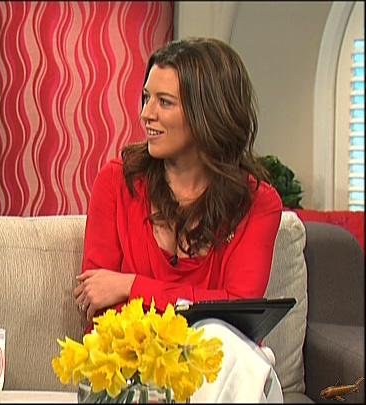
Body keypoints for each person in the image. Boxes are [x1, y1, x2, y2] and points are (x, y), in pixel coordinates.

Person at [73, 37, 284, 402]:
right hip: (136, 367)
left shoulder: (258, 203)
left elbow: (238, 310)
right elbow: (100, 307)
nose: (146, 114)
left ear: (208, 113)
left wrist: (131, 286)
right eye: (146, 98)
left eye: (164, 102)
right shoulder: (117, 182)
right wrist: (187, 310)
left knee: (219, 340)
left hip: (224, 367)